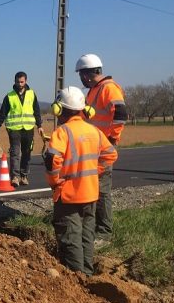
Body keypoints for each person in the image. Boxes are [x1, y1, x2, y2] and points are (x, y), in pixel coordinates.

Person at [44, 86, 117, 275]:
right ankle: (88, 275)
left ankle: (78, 280)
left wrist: (55, 182)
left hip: (68, 196)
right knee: (86, 236)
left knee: (70, 239)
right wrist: (94, 172)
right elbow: (110, 155)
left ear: (59, 110)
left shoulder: (62, 132)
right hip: (91, 195)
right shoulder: (94, 131)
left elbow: (53, 161)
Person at [75, 53, 127, 246]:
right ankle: (91, 225)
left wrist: (112, 139)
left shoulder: (108, 88)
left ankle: (104, 232)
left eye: (81, 74)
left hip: (103, 147)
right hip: (93, 146)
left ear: (87, 74)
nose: (81, 79)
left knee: (102, 190)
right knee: (92, 186)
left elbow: (120, 114)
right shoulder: (95, 90)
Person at [0, 71, 44, 187]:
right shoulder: (9, 96)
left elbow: (36, 111)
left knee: (27, 153)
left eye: (22, 82)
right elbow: (2, 113)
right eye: (17, 82)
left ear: (26, 81)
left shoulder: (32, 94)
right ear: (14, 81)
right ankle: (15, 177)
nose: (20, 84)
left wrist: (39, 126)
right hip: (14, 128)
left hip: (28, 128)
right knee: (15, 153)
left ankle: (24, 175)